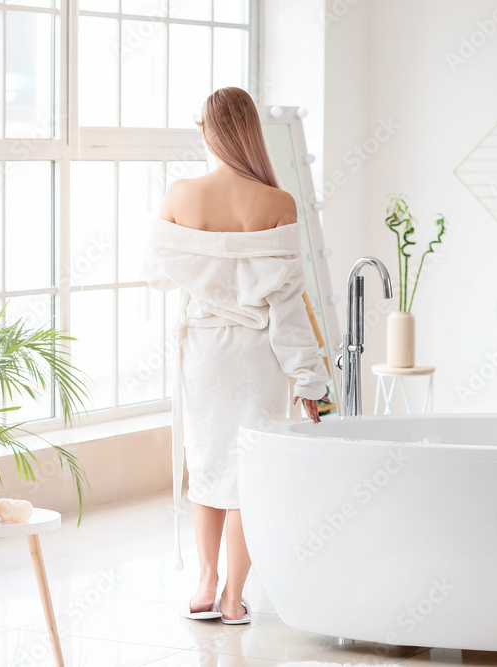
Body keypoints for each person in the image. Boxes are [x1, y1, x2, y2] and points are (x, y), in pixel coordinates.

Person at [143, 87, 329, 624]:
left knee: (206, 464)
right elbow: (288, 309)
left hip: (203, 352)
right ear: (251, 130)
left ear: (208, 131)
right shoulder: (278, 204)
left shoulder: (181, 195)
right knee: (249, 474)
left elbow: (156, 272)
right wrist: (308, 381)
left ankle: (203, 584)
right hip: (258, 358)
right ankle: (232, 597)